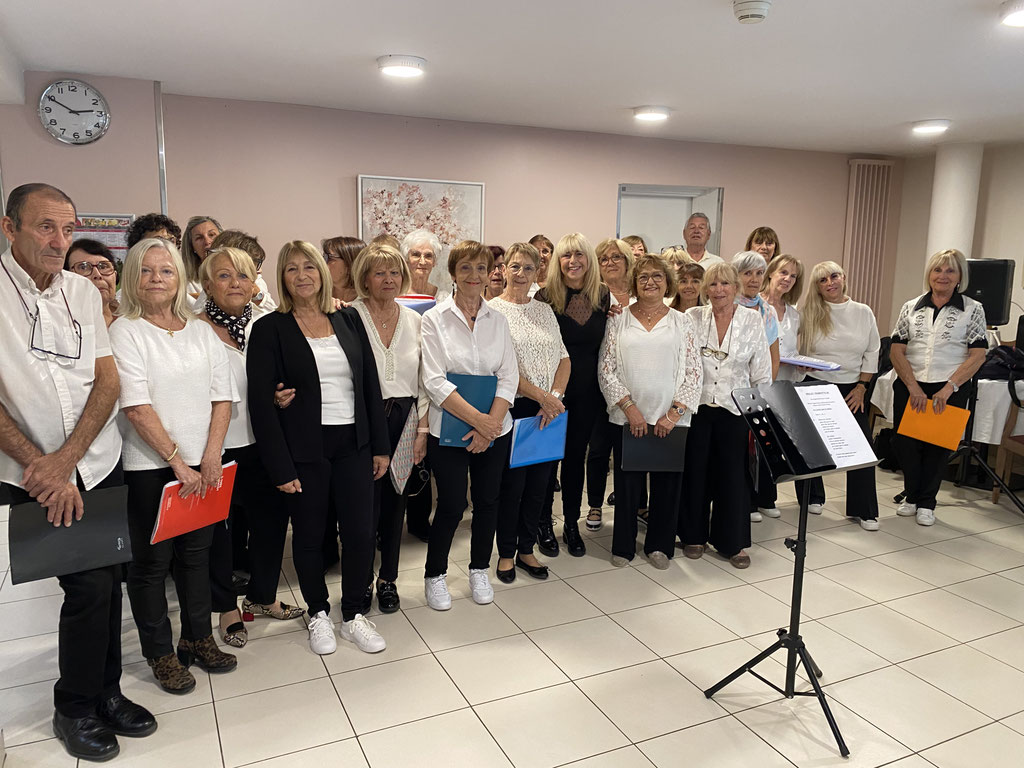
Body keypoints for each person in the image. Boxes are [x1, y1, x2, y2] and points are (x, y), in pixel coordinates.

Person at [0, 183, 156, 762]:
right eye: (45, 227)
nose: (59, 241)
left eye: (67, 229)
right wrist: (45, 467)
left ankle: (107, 692)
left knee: (109, 579)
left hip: (95, 459)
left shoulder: (82, 292)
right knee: (86, 586)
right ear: (9, 227)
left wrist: (69, 459)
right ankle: (73, 707)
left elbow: (107, 380)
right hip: (29, 472)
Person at [246, 241, 391, 654]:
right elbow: (261, 404)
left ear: (322, 273)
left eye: (309, 266)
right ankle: (318, 613)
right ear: (282, 277)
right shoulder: (270, 328)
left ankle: (354, 613)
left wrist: (380, 445)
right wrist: (280, 467)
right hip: (304, 448)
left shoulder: (347, 318)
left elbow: (369, 383)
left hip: (354, 443)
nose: (302, 275)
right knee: (310, 536)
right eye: (292, 268)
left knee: (360, 533)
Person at [109, 237, 239, 694]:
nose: (157, 279)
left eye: (166, 271)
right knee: (151, 565)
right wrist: (177, 463)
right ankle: (160, 653)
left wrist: (211, 456)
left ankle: (197, 637)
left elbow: (222, 398)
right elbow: (136, 406)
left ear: (180, 278)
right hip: (150, 467)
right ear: (132, 278)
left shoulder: (201, 332)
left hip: (204, 466)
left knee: (197, 557)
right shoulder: (126, 332)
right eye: (146, 271)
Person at [196, 246, 305, 648]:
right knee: (219, 533)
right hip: (215, 447)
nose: (235, 283)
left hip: (264, 442)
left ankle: (262, 596)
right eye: (224, 276)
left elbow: (278, 377)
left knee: (271, 524)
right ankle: (225, 608)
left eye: (243, 275)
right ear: (208, 284)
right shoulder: (193, 329)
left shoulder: (266, 323)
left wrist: (279, 395)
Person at [420, 240, 518, 609]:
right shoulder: (434, 319)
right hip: (448, 428)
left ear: (490, 273)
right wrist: (479, 422)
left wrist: (491, 425)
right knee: (450, 504)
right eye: (465, 268)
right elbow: (434, 380)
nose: (474, 275)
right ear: (453, 274)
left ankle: (479, 569)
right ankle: (435, 575)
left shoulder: (498, 320)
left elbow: (508, 375)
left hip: (496, 428)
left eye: (481, 268)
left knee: (488, 501)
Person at [599, 253, 701, 569]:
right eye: (643, 277)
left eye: (657, 276)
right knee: (627, 486)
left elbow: (694, 371)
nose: (650, 282)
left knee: (667, 488)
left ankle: (659, 546)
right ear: (634, 283)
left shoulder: (682, 322)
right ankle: (623, 545)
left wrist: (674, 414)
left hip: (670, 420)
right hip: (628, 418)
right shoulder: (618, 319)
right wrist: (629, 409)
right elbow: (606, 369)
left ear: (667, 282)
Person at [349, 243, 429, 613]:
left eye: (394, 272)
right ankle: (362, 580)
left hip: (405, 419)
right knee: (363, 508)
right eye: (379, 272)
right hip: (362, 420)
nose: (388, 279)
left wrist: (422, 430)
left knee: (396, 505)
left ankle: (388, 579)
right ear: (364, 278)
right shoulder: (348, 316)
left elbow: (426, 379)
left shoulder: (415, 320)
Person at [681, 262, 771, 569]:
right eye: (713, 284)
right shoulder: (692, 317)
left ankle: (732, 541)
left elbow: (761, 371)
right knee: (695, 473)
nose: (719, 290)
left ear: (736, 287)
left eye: (725, 284)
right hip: (698, 408)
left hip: (735, 409)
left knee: (733, 477)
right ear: (705, 289)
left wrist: (759, 415)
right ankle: (693, 535)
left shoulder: (752, 319)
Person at [489, 242, 570, 583]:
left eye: (529, 268)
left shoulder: (545, 310)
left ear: (538, 272)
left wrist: (554, 397)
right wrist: (542, 397)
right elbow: (500, 368)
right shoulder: (492, 311)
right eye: (515, 266)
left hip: (551, 410)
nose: (521, 274)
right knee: (513, 488)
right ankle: (506, 554)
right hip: (515, 407)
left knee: (540, 486)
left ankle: (526, 549)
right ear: (504, 269)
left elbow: (564, 358)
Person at [890, 249, 987, 526]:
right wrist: (913, 387)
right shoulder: (911, 307)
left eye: (950, 271)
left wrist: (949, 388)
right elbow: (896, 350)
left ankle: (926, 503)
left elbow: (978, 355)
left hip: (950, 387)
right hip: (911, 385)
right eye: (937, 270)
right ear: (929, 274)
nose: (942, 276)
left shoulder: (973, 309)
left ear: (959, 277)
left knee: (937, 447)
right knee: (906, 444)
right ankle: (911, 496)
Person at [535, 233, 612, 557]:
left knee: (574, 459)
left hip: (588, 393)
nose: (573, 261)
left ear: (589, 260)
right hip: (553, 391)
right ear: (558, 261)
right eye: (566, 255)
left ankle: (570, 524)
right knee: (546, 461)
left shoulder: (602, 296)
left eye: (579, 255)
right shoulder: (544, 297)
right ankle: (542, 524)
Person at [795, 261, 882, 529]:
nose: (830, 283)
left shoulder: (863, 312)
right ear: (817, 286)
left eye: (834, 276)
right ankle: (812, 497)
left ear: (843, 277)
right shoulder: (808, 311)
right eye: (822, 280)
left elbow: (872, 352)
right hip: (815, 383)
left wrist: (862, 386)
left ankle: (864, 510)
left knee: (861, 447)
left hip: (852, 388)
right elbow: (791, 347)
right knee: (811, 446)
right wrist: (800, 363)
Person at [398, 228, 447, 541]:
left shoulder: (442, 297)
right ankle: (389, 522)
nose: (422, 260)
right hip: (401, 383)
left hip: (432, 383)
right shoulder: (394, 293)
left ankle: (418, 520)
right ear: (406, 257)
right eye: (416, 254)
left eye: (428, 255)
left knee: (423, 455)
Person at [585, 238, 635, 532]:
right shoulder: (594, 296)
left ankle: (635, 503)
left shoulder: (641, 293)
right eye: (603, 259)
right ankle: (594, 504)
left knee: (632, 448)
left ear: (628, 261)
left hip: (637, 383)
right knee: (599, 448)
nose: (610, 263)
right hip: (599, 383)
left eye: (617, 257)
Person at [752, 253, 805, 519]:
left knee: (773, 444)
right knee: (754, 443)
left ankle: (767, 497)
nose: (787, 279)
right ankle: (750, 501)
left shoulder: (794, 315)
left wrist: (801, 365)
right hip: (757, 384)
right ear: (770, 272)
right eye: (783, 272)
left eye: (793, 276)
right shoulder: (755, 305)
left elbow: (793, 350)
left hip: (783, 385)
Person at [192, 229, 277, 315]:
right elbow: (197, 312)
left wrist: (258, 296)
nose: (259, 271)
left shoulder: (257, 282)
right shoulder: (212, 285)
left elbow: (274, 314)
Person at [733, 251, 781, 379]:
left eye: (759, 273)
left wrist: (766, 389)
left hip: (761, 382)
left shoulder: (769, 312)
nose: (754, 279)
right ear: (736, 276)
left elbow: (774, 360)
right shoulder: (726, 307)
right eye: (748, 273)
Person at [65, 238, 119, 326]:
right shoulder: (60, 324)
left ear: (115, 276)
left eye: (103, 266)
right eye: (83, 267)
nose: (97, 275)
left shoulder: (131, 320)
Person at [323, 235, 365, 304]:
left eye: (330, 258)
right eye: (324, 257)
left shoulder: (369, 300)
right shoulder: (318, 295)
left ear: (350, 264)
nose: (323, 263)